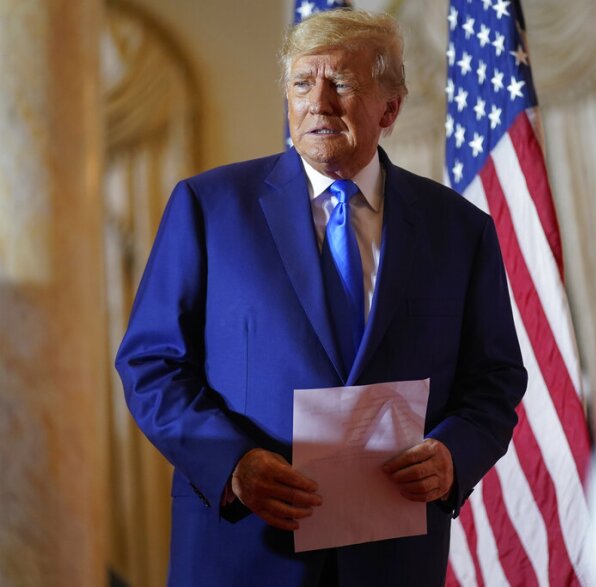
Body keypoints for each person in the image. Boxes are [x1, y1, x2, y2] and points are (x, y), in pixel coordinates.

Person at [116, 8, 526, 586]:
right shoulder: (208, 208)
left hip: (393, 559)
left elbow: (495, 378)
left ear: (390, 108)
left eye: (343, 83)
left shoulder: (460, 230)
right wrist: (232, 464)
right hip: (245, 551)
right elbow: (150, 364)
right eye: (303, 83)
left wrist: (454, 455)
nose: (319, 103)